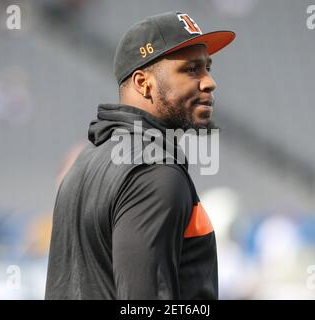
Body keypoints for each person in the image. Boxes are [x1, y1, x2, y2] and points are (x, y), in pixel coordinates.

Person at [45, 11, 235, 299]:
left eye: (207, 67)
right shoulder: (154, 172)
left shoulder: (86, 159)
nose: (209, 82)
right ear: (143, 83)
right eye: (191, 70)